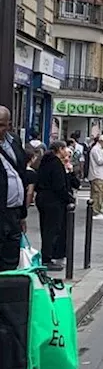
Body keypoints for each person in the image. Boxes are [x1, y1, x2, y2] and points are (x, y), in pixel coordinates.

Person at [35, 140, 77, 272]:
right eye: (64, 148)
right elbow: (59, 186)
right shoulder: (55, 163)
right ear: (59, 149)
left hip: (43, 198)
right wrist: (69, 198)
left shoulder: (45, 162)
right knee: (52, 230)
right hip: (53, 201)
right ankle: (47, 258)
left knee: (46, 228)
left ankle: (49, 255)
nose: (66, 151)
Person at [0, 107, 28, 272]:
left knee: (11, 255)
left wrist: (22, 214)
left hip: (14, 212)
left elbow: (21, 172)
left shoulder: (14, 141)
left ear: (9, 125)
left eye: (2, 125)